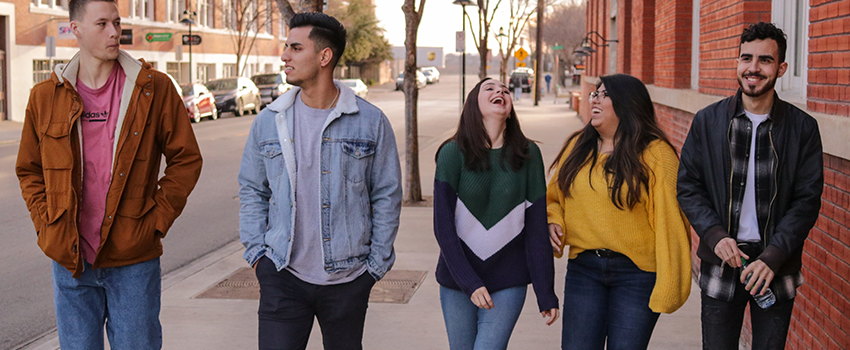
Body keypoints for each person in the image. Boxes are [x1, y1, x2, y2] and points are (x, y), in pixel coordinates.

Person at [15, 0, 203, 348]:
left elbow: (186, 159)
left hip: (133, 258)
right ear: (76, 30)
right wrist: (48, 224)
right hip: (71, 261)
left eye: (117, 22)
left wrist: (156, 221)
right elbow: (29, 169)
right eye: (102, 24)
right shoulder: (45, 97)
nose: (115, 32)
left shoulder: (154, 89)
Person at [238, 12, 402, 350]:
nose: (285, 56)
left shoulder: (370, 122)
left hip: (348, 278)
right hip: (282, 275)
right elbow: (252, 189)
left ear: (324, 57)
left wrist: (375, 266)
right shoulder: (269, 122)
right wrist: (258, 255)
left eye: (296, 48)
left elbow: (387, 194)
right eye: (287, 47)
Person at [677, 22, 823, 350]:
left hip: (775, 265)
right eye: (746, 58)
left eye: (765, 60)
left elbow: (807, 200)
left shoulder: (803, 129)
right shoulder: (708, 121)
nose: (753, 68)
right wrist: (714, 236)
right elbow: (688, 185)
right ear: (737, 62)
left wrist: (773, 256)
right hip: (722, 261)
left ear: (781, 68)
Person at [547, 73, 692, 350]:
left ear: (627, 104)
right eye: (594, 94)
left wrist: (671, 284)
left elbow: (671, 222)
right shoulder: (578, 147)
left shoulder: (655, 154)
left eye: (604, 94)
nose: (595, 100)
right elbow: (554, 198)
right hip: (584, 271)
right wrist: (553, 221)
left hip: (636, 275)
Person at [433, 78, 559, 350]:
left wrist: (545, 292)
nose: (500, 91)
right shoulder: (452, 153)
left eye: (504, 90)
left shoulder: (528, 155)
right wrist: (469, 282)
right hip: (457, 280)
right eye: (489, 88)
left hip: (508, 280)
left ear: (510, 108)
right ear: (473, 105)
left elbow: (537, 229)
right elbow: (443, 229)